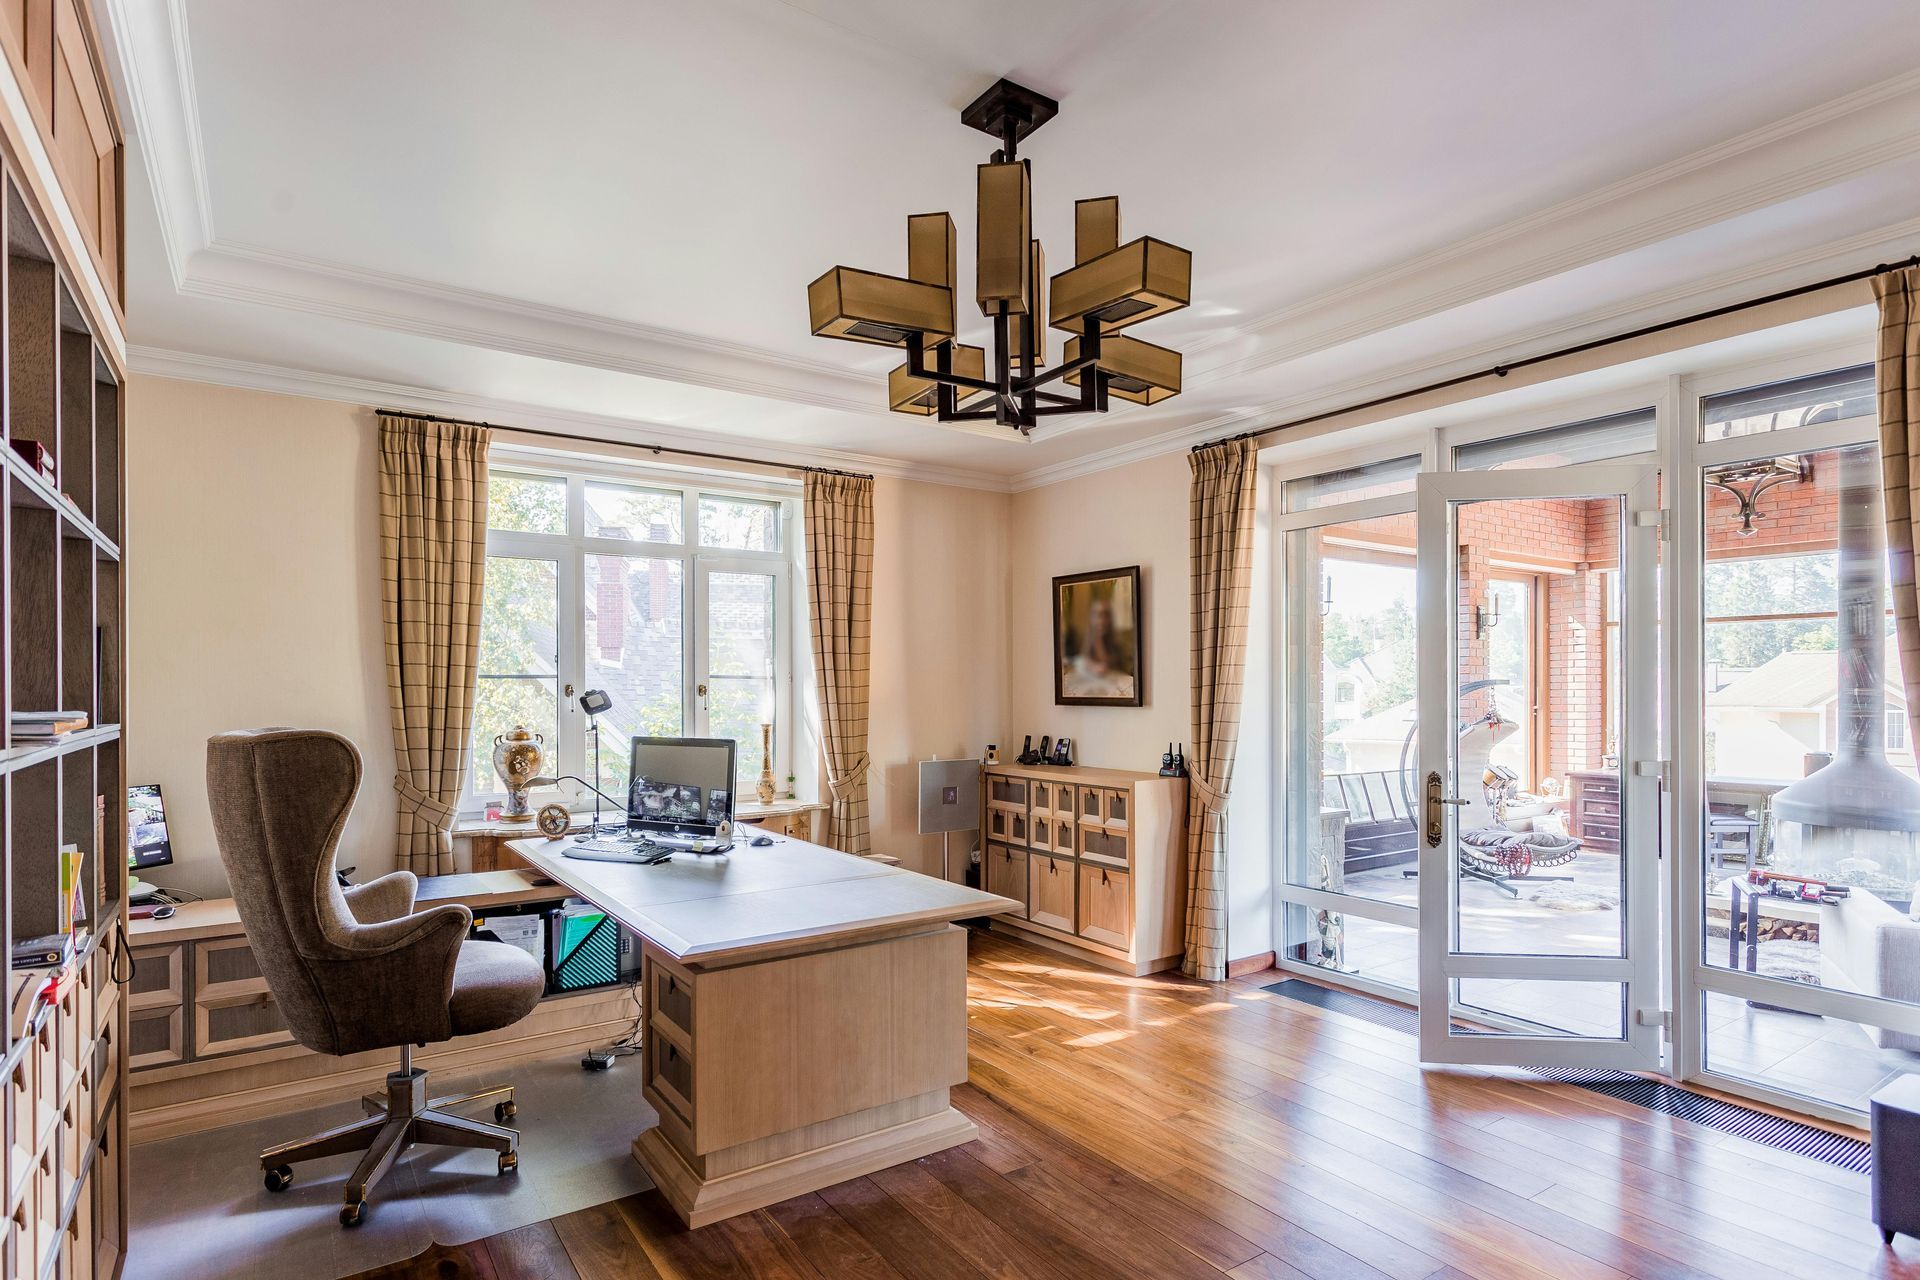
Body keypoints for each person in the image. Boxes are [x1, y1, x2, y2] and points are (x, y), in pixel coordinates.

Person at [1063, 593, 1135, 699]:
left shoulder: (1117, 642)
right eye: (1097, 615)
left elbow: (1105, 667)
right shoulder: (1086, 637)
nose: (1101, 620)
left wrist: (1098, 638)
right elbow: (1084, 660)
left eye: (1105, 615)